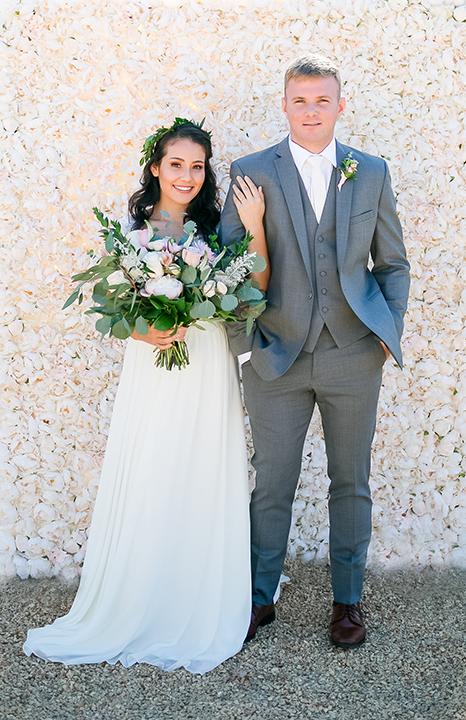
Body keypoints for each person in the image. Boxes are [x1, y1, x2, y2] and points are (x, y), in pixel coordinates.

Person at [23, 120, 268, 673]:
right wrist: (146, 330)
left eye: (197, 167)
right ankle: (141, 599)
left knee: (201, 469)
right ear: (155, 167)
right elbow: (113, 312)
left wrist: (252, 224)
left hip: (207, 363)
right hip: (155, 364)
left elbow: (253, 286)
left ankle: (198, 597)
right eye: (176, 164)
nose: (186, 176)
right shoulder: (132, 238)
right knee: (155, 467)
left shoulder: (216, 229)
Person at [220, 56, 410, 649]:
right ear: (284, 105)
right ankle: (258, 597)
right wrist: (246, 345)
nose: (311, 111)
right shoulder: (251, 171)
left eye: (321, 100)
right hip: (276, 355)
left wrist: (387, 330)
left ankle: (348, 601)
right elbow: (230, 269)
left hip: (354, 353)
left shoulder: (370, 171)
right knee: (271, 483)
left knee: (350, 480)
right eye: (299, 101)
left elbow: (393, 262)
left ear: (339, 106)